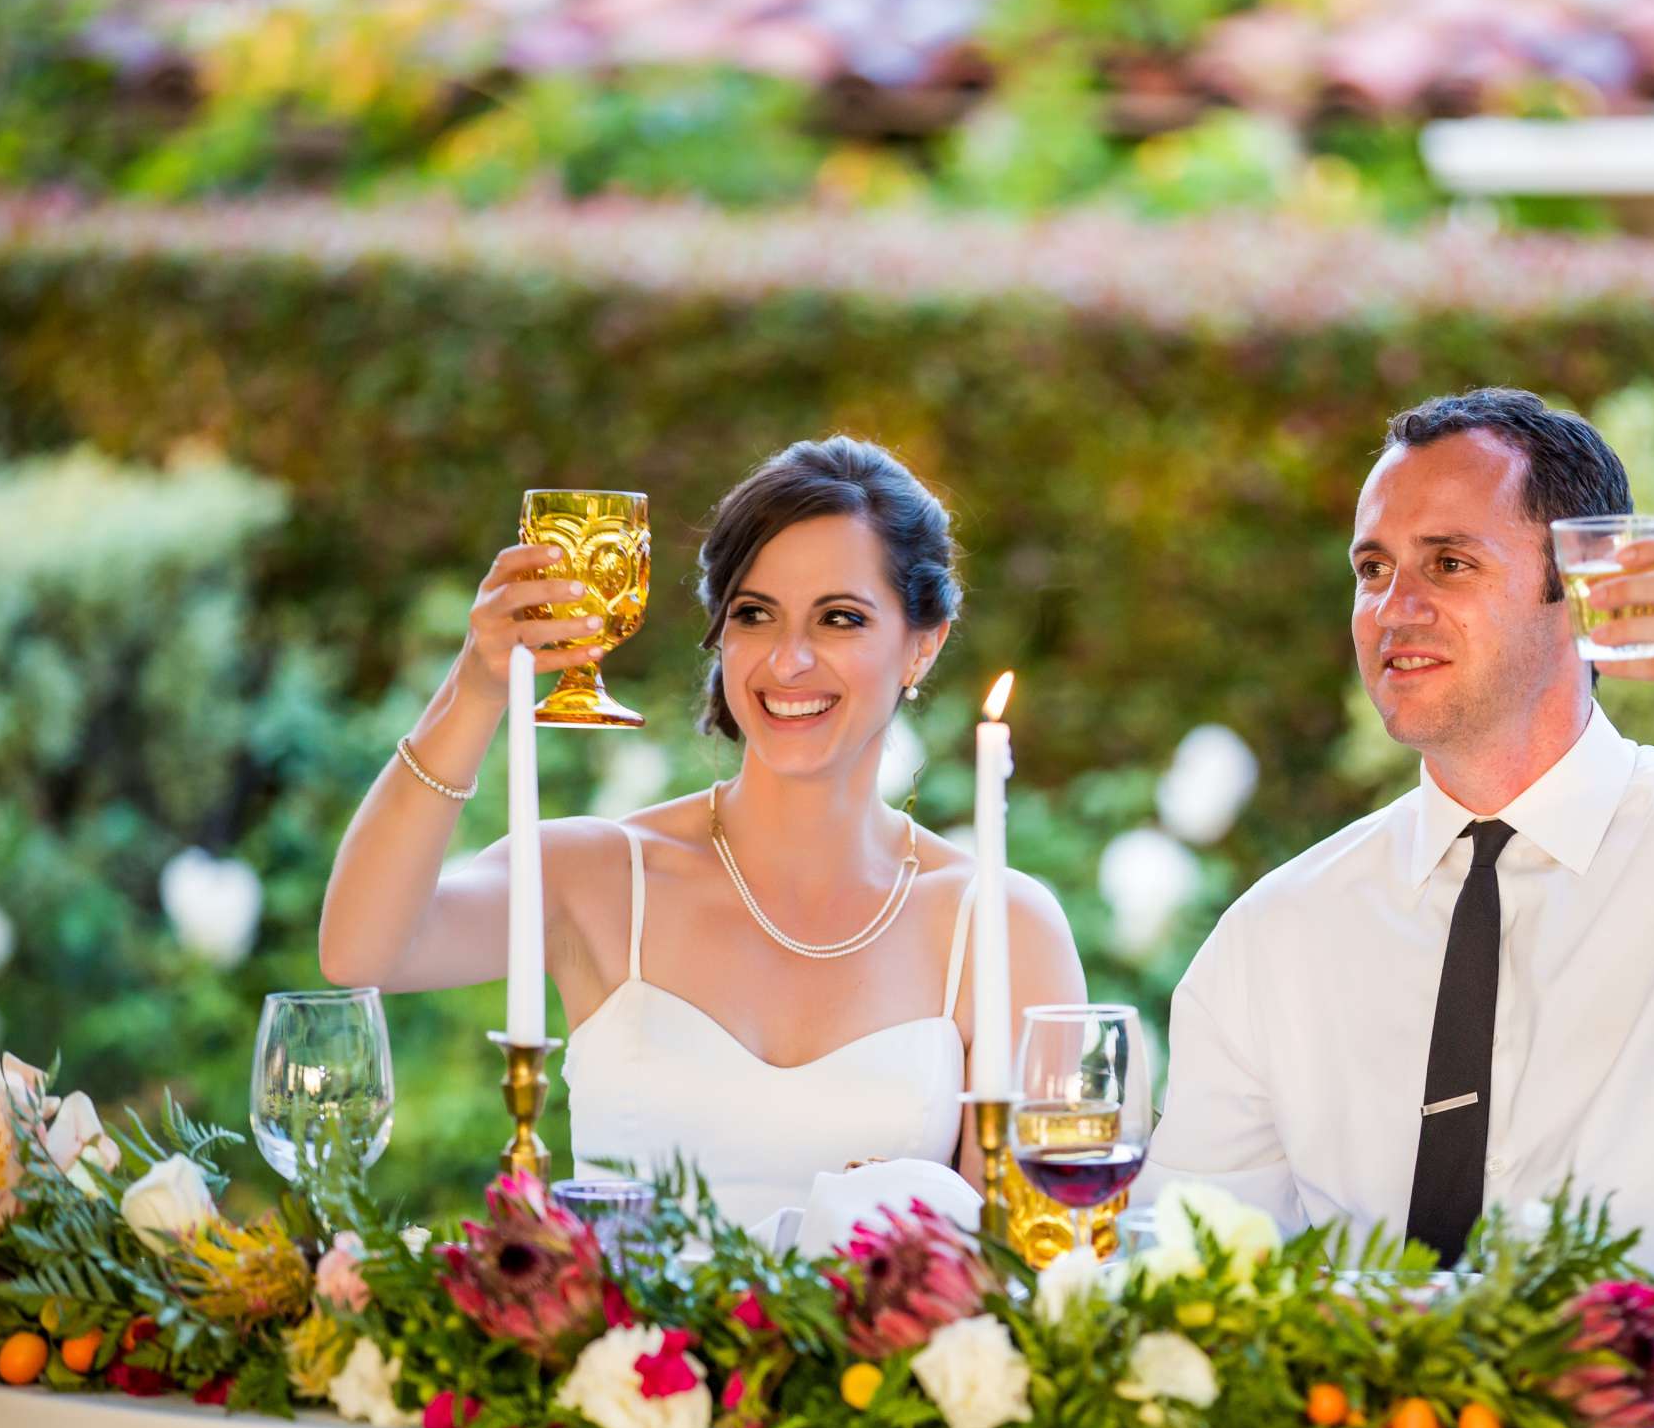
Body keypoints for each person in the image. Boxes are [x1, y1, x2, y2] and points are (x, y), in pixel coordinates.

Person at [1138, 388, 1654, 1326]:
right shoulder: (1274, 937)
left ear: (1588, 592)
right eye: (1371, 568)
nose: (1392, 608)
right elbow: (1189, 1277)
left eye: (1448, 563)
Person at [319, 437, 1083, 1232]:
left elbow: (1032, 1260)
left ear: (923, 644)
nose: (788, 661)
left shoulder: (1000, 927)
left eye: (841, 618)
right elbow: (360, 950)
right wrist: (477, 685)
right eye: (755, 614)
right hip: (626, 1356)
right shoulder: (599, 877)